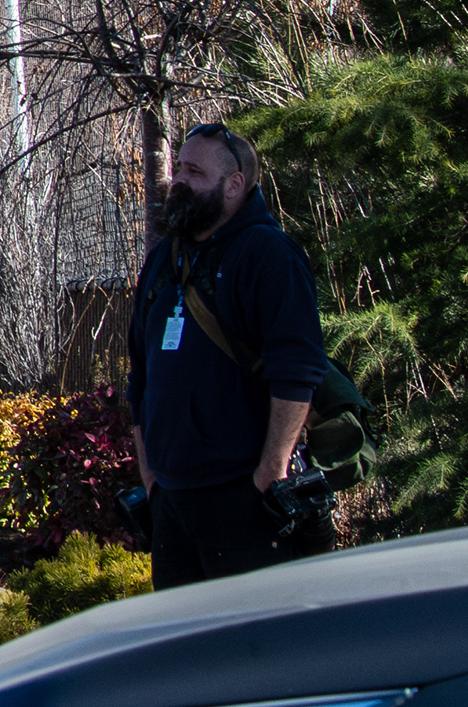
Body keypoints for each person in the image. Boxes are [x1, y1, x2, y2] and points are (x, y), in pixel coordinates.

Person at [127, 121, 330, 589]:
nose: (177, 180)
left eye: (194, 172)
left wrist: (271, 472)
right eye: (178, 168)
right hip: (173, 501)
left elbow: (297, 372)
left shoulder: (268, 255)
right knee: (187, 653)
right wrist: (150, 474)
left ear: (234, 185)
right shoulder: (163, 260)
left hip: (245, 497)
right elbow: (140, 375)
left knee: (255, 651)